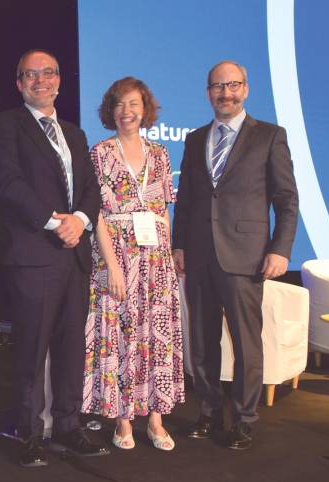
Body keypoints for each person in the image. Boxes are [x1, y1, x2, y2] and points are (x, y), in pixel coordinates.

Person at [0, 49, 107, 467]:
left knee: (72, 349)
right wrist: (57, 224)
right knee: (31, 351)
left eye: (48, 73)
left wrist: (82, 220)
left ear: (59, 81)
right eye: (31, 75)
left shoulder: (74, 133)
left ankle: (68, 428)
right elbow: (9, 184)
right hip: (34, 255)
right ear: (19, 83)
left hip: (74, 257)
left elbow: (91, 187)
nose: (41, 81)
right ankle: (29, 433)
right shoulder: (4, 127)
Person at [172, 61, 298, 450]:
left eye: (232, 85)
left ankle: (244, 419)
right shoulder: (195, 139)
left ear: (246, 88)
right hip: (199, 255)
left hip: (246, 257)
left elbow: (286, 200)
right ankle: (208, 413)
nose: (225, 92)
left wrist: (280, 250)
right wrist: (179, 245)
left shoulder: (270, 136)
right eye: (217, 86)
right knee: (202, 341)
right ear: (208, 91)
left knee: (247, 343)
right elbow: (188, 200)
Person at [81, 77, 184, 451]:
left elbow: (163, 211)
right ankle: (123, 420)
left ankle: (156, 420)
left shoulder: (160, 154)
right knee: (122, 336)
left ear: (145, 110)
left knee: (155, 339)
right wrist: (111, 265)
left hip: (155, 259)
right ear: (111, 110)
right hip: (117, 255)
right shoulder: (100, 152)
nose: (128, 111)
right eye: (120, 104)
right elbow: (98, 215)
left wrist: (168, 259)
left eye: (134, 104)